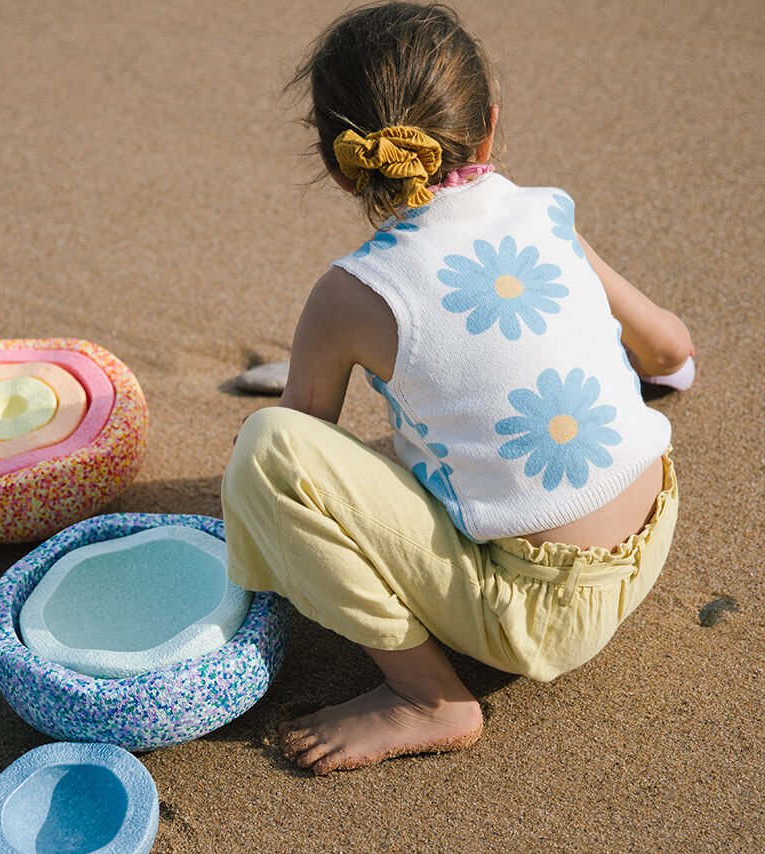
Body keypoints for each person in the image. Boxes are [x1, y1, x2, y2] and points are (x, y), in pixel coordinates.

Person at [221, 2, 695, 776]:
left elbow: (303, 439)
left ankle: (427, 697)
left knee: (266, 451)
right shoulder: (545, 214)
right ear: (489, 127)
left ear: (341, 165)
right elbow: (670, 349)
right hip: (653, 529)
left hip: (534, 616)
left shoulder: (349, 295)